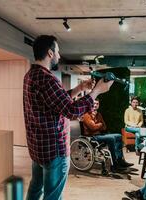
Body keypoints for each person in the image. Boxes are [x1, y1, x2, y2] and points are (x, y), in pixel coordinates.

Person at [23, 35, 114, 200]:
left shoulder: (31, 75)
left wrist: (79, 88)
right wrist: (96, 92)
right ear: (50, 53)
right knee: (53, 196)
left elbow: (56, 102)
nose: (59, 55)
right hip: (54, 149)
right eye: (57, 51)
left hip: (38, 147)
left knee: (35, 189)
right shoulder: (48, 79)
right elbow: (71, 111)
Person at [82, 99, 134, 172]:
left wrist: (98, 125)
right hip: (92, 137)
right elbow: (93, 127)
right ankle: (114, 166)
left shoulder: (98, 114)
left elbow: (105, 126)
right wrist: (100, 124)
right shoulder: (86, 115)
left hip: (100, 135)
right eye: (94, 103)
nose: (95, 105)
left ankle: (120, 160)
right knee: (111, 138)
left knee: (119, 136)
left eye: (97, 104)